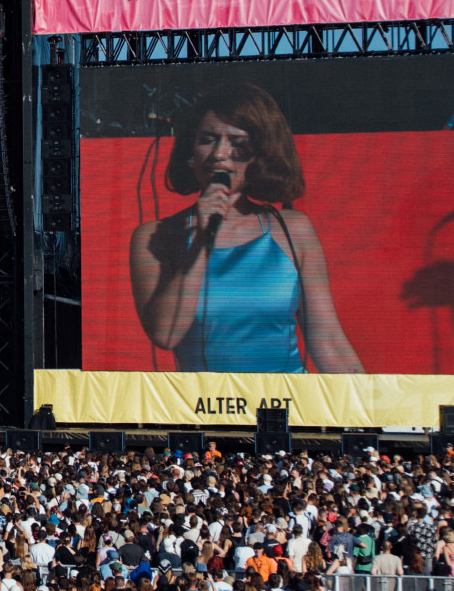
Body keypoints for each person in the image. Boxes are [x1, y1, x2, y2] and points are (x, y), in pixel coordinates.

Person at [128, 81, 362, 373]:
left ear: (260, 154)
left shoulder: (293, 230)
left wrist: (368, 411)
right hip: (204, 412)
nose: (219, 154)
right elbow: (166, 334)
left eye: (236, 143)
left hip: (284, 410)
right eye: (208, 140)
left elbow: (329, 342)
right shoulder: (155, 237)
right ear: (190, 150)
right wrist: (201, 240)